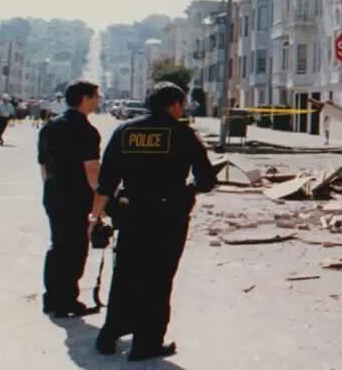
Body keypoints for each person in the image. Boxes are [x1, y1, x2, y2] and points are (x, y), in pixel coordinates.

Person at [93, 82, 215, 361]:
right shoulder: (182, 133)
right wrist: (188, 190)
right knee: (158, 279)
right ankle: (146, 343)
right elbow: (206, 179)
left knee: (125, 274)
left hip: (132, 213)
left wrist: (96, 215)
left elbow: (107, 180)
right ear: (174, 105)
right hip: (168, 216)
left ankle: (110, 335)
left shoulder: (125, 131)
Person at [38, 80, 102, 317]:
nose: (98, 101)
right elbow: (92, 172)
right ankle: (67, 301)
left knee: (57, 246)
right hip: (76, 198)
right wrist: (101, 203)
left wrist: (51, 190)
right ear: (84, 99)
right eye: (96, 96)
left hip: (54, 194)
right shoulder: (87, 131)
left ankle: (52, 298)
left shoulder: (49, 127)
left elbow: (44, 166)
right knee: (75, 249)